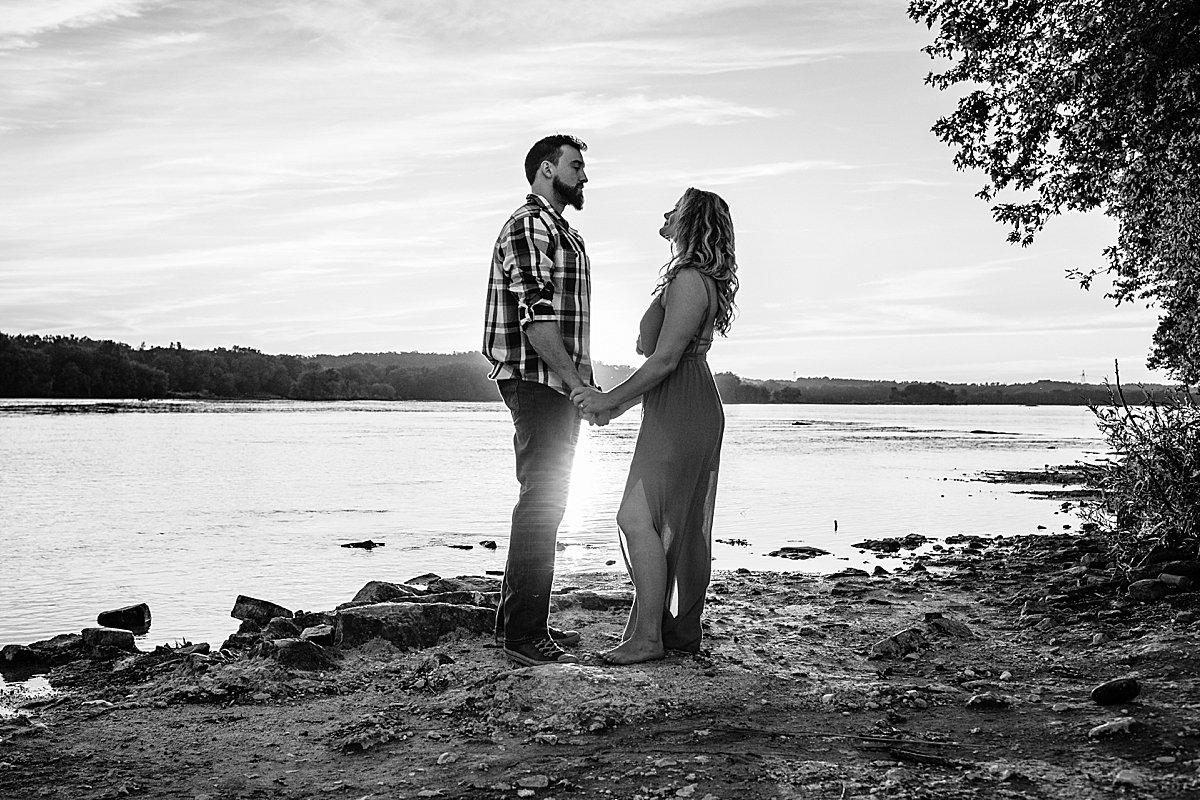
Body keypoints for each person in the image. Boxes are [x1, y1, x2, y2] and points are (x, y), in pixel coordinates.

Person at [572, 187, 739, 665]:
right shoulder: (688, 277)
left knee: (635, 517)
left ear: (689, 220)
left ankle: (649, 638)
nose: (663, 213)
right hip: (678, 405)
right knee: (661, 520)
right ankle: (651, 632)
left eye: (674, 208)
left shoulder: (689, 279)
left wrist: (611, 402)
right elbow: (660, 355)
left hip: (683, 406)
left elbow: (664, 359)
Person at [483, 133, 611, 667]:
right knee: (543, 501)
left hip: (558, 379)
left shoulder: (566, 234)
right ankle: (525, 637)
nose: (585, 177)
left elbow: (571, 326)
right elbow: (536, 317)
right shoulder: (529, 225)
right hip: (536, 380)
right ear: (545, 169)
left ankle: (513, 626)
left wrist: (585, 380)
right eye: (576, 166)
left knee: (545, 501)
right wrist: (575, 384)